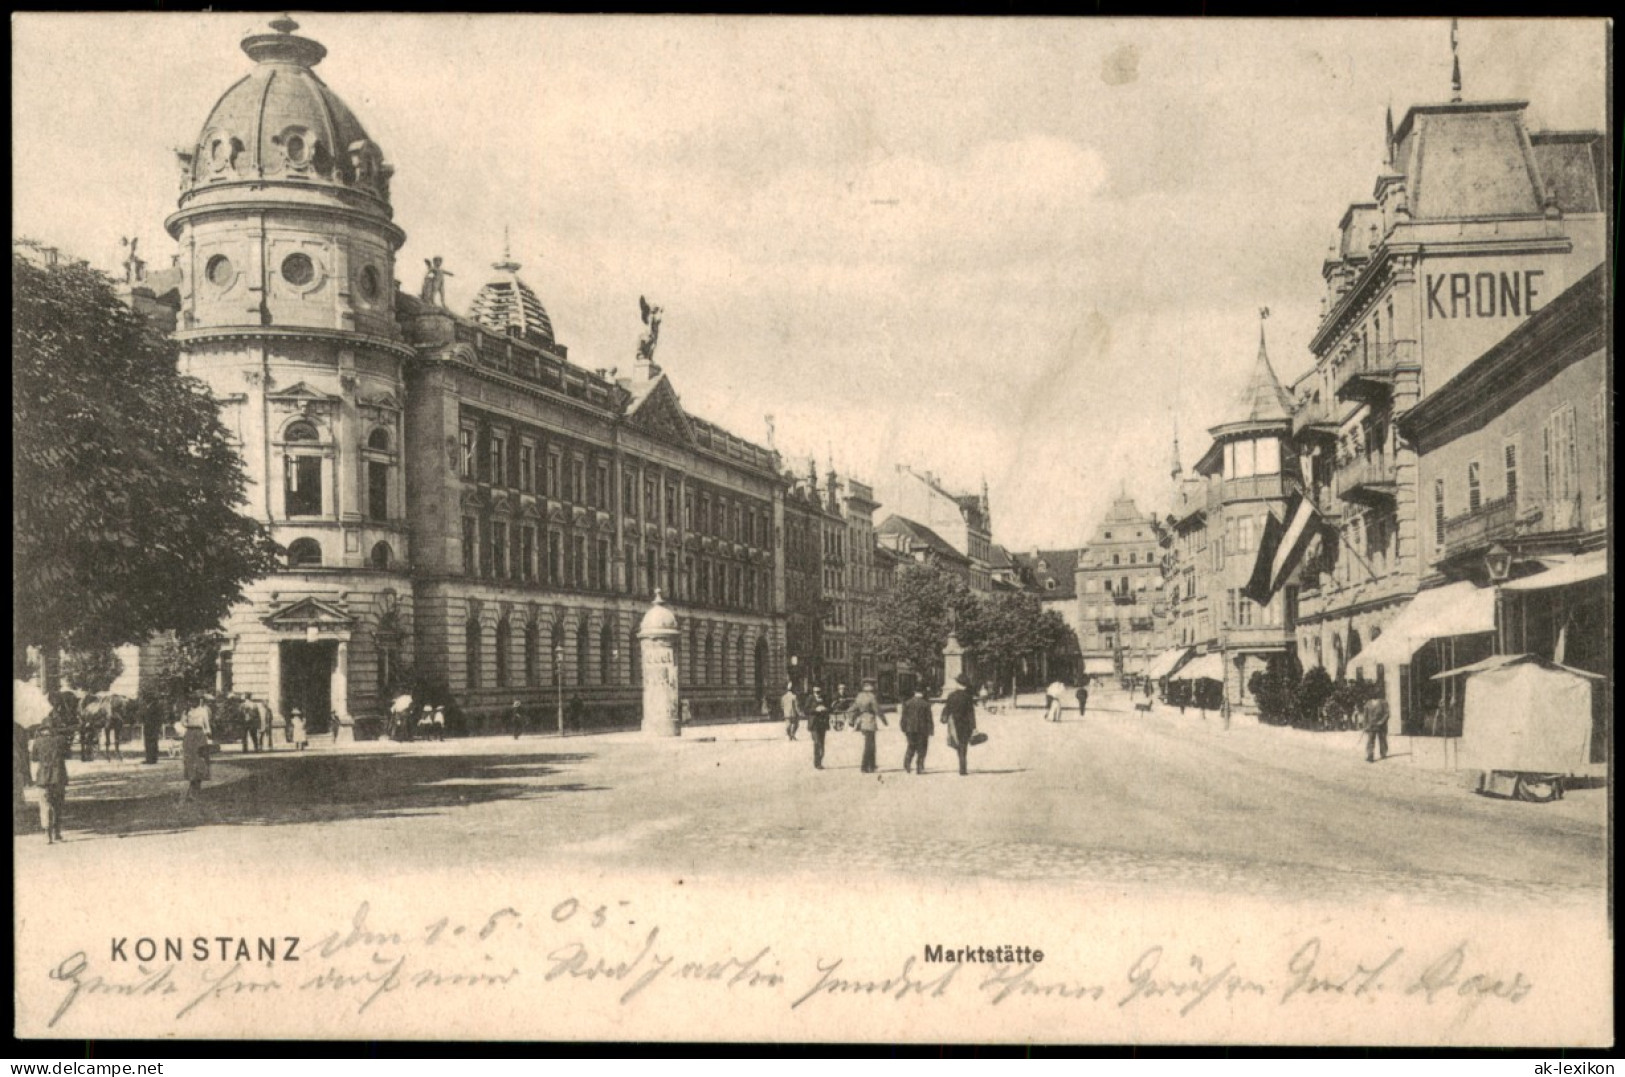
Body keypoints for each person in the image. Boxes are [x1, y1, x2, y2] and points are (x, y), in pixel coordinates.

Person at [31, 719, 70, 843]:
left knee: (45, 806)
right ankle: (57, 833)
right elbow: (68, 755)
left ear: (43, 729)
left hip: (43, 778)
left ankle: (47, 835)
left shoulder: (38, 741)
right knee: (58, 805)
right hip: (59, 777)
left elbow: (34, 758)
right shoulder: (61, 740)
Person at [942, 675, 978, 777]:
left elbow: (947, 708)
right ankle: (963, 768)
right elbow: (971, 713)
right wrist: (974, 726)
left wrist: (944, 717)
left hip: (953, 723)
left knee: (956, 743)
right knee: (963, 745)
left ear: (958, 684)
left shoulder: (951, 695)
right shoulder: (968, 696)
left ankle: (961, 762)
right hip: (965, 724)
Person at [850, 678, 888, 774]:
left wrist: (852, 719)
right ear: (869, 687)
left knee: (869, 744)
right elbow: (877, 710)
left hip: (863, 722)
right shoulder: (871, 697)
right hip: (870, 721)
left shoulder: (859, 696)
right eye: (872, 685)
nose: (873, 687)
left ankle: (871, 765)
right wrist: (884, 721)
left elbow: (853, 708)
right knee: (870, 745)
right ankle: (866, 766)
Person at [180, 695, 213, 802]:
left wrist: (208, 735)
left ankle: (195, 789)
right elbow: (182, 723)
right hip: (189, 736)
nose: (194, 702)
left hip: (200, 736)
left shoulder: (203, 711)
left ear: (199, 701)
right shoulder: (187, 711)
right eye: (192, 700)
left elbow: (207, 724)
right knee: (190, 762)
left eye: (196, 700)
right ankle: (192, 789)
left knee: (200, 762)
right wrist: (187, 720)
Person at [899, 686, 934, 774]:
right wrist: (931, 730)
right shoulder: (926, 704)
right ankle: (919, 766)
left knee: (911, 746)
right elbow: (929, 718)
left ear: (915, 692)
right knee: (922, 748)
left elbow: (904, 717)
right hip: (922, 729)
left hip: (910, 729)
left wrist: (903, 727)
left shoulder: (908, 703)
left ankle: (907, 764)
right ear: (923, 693)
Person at [806, 687, 832, 770]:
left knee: (822, 743)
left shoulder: (824, 698)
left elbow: (830, 708)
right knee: (817, 743)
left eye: (819, 692)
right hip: (814, 724)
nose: (818, 693)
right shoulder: (810, 698)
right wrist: (815, 709)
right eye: (816, 692)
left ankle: (820, 761)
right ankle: (817, 763)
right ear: (813, 691)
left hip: (822, 724)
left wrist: (825, 709)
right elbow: (805, 710)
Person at [1362, 688, 1389, 763]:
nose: (1374, 694)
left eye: (1376, 693)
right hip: (1371, 725)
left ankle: (1383, 753)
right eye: (1373, 693)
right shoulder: (1368, 703)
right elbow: (1365, 715)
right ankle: (1370, 755)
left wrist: (1381, 721)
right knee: (1370, 740)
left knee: (1382, 739)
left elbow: (1387, 714)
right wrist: (1365, 726)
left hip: (1381, 725)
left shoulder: (1383, 702)